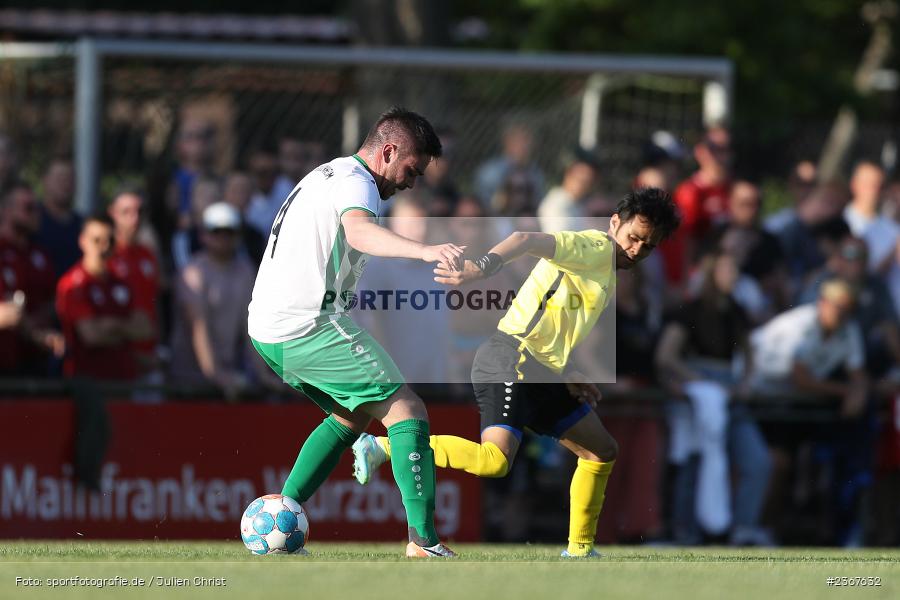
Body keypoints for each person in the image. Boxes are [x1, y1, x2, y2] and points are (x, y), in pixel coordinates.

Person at [353, 187, 681, 558]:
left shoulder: (606, 267)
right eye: (634, 238)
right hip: (512, 359)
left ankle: (580, 551)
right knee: (495, 462)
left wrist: (569, 370)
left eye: (648, 246)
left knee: (601, 450)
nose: (637, 250)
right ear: (614, 223)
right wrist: (482, 267)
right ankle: (385, 445)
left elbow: (551, 317)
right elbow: (524, 239)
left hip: (541, 368)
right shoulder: (597, 248)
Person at [247, 106, 465, 558]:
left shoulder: (329, 174)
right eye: (411, 169)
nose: (411, 182)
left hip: (270, 326)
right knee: (407, 408)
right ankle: (423, 542)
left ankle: (281, 520)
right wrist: (426, 252)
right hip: (305, 323)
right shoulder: (357, 183)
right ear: (387, 152)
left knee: (352, 415)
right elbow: (361, 233)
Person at [170, 202, 281, 399]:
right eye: (216, 231)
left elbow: (250, 328)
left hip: (228, 379)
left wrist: (263, 374)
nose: (223, 237)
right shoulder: (193, 273)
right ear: (203, 234)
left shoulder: (245, 271)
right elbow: (198, 328)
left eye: (229, 232)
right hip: (189, 383)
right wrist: (216, 375)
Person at [0, 182, 60, 375]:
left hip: (36, 361)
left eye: (37, 207)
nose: (36, 213)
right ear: (7, 210)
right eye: (28, 208)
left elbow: (52, 300)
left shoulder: (40, 254)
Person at [36, 156, 82, 278]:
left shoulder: (83, 226)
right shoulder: (32, 223)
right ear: (45, 180)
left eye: (70, 179)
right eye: (60, 178)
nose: (65, 184)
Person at [537, 148, 600, 233]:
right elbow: (560, 242)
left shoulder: (578, 204)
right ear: (568, 174)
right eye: (580, 178)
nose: (583, 184)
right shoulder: (555, 204)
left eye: (587, 181)